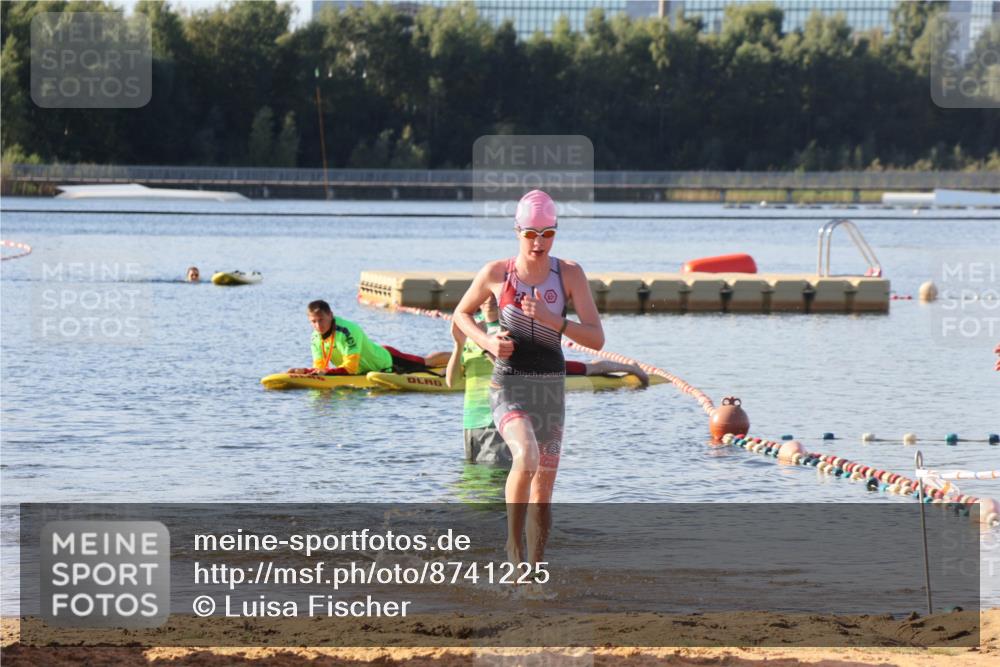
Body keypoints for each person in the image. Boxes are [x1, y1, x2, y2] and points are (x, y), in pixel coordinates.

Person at [453, 189, 605, 567]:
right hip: (509, 385)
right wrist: (488, 341)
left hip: (550, 390)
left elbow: (597, 338)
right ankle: (512, 547)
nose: (539, 243)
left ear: (555, 232)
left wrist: (553, 321)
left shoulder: (569, 273)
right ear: (517, 231)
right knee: (526, 455)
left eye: (548, 234)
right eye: (531, 234)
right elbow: (460, 315)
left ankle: (533, 571)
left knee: (543, 493)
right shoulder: (496, 273)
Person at [447, 295, 648, 467]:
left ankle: (630, 367)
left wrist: (486, 346)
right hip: (472, 423)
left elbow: (513, 368)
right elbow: (452, 382)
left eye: (494, 295)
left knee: (588, 368)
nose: (489, 299)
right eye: (485, 295)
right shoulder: (472, 331)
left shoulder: (509, 326)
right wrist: (459, 345)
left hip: (501, 418)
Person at [288, 300, 450, 375]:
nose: (318, 326)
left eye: (321, 320)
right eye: (313, 322)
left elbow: (350, 368)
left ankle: (459, 357)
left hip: (386, 361)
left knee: (425, 363)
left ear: (330, 315)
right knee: (425, 363)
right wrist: (306, 371)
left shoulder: (348, 331)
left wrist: (325, 373)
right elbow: (321, 366)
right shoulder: (315, 338)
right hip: (365, 369)